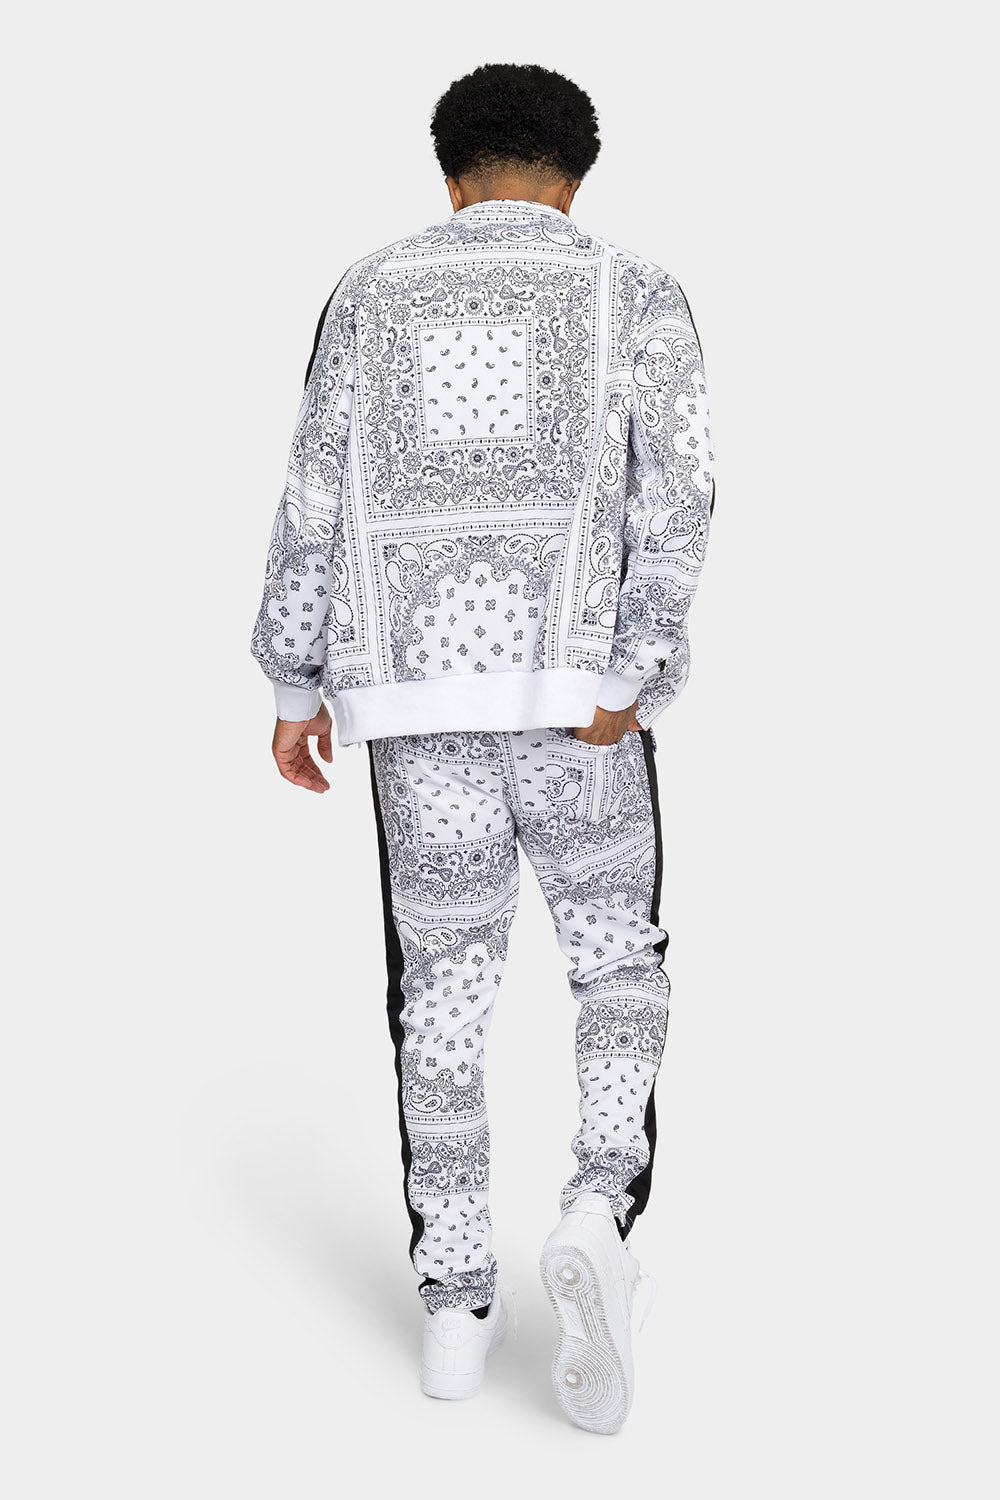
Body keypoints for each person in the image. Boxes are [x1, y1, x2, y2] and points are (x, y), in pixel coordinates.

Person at [250, 61, 715, 1434]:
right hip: (582, 706)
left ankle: (456, 1304)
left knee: (441, 999)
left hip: (415, 707)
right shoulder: (636, 290)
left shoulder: (369, 290)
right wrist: (635, 670)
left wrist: (294, 680)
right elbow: (682, 491)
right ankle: (597, 1210)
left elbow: (312, 487)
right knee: (615, 959)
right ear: (578, 176)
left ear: (449, 175)